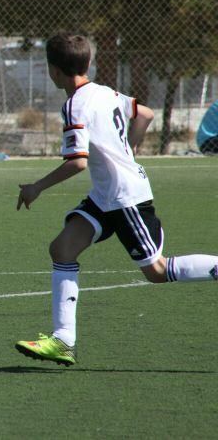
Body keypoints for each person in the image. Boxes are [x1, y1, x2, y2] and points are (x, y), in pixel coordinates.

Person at [14, 33, 218, 366]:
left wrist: (37, 187)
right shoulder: (105, 92)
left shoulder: (74, 105)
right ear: (88, 63)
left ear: (53, 71)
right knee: (62, 248)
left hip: (124, 197)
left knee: (155, 269)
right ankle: (63, 340)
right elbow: (146, 114)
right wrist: (130, 149)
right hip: (106, 195)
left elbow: (78, 161)